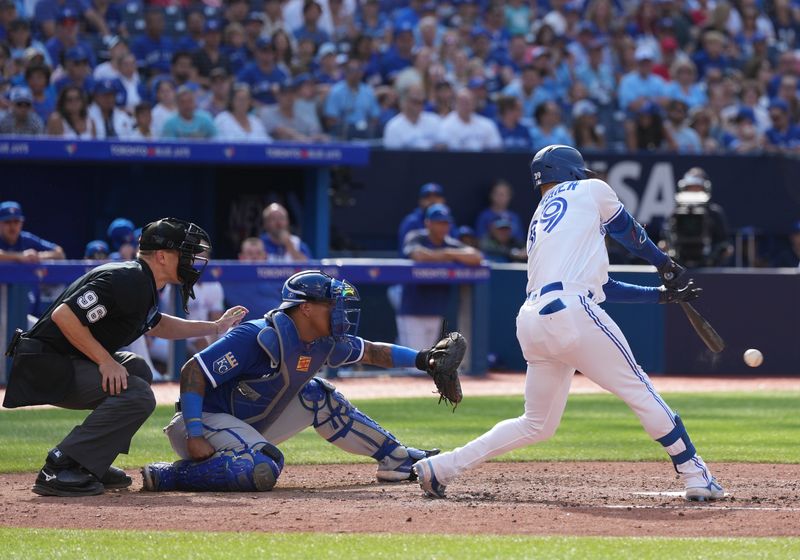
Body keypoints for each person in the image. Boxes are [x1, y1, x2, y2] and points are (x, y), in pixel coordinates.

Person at [414, 145, 725, 503]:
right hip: (570, 311)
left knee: (536, 423)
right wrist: (664, 263)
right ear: (575, 171)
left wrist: (661, 294)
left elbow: (603, 286)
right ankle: (695, 474)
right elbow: (628, 230)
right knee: (639, 388)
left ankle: (441, 468)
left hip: (532, 319)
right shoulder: (591, 190)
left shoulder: (540, 219)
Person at [2, 218, 248, 497]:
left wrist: (215, 327)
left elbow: (159, 324)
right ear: (163, 256)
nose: (192, 260)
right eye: (186, 252)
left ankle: (92, 462)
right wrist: (105, 361)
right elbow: (64, 315)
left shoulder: (141, 280)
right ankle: (61, 466)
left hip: (63, 361)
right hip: (47, 366)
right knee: (139, 394)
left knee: (138, 368)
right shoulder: (127, 278)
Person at [141, 270, 443, 492]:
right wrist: (194, 433)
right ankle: (171, 475)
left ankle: (395, 459)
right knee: (262, 465)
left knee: (318, 396)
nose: (340, 312)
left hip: (249, 422)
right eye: (331, 305)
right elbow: (193, 370)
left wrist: (425, 359)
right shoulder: (256, 336)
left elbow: (374, 352)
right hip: (200, 422)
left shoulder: (324, 339)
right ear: (306, 308)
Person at [396, 203, 483, 350]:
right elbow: (418, 255)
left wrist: (448, 253)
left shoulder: (450, 244)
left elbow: (476, 256)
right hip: (412, 310)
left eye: (446, 223)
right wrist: (447, 256)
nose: (443, 227)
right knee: (414, 362)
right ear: (428, 223)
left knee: (426, 362)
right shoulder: (417, 237)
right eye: (439, 223)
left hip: (436, 311)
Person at [662, 168, 732, 268]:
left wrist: (712, 258)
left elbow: (724, 242)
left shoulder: (714, 213)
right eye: (690, 188)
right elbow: (666, 238)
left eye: (697, 187)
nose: (693, 191)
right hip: (680, 265)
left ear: (705, 188)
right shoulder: (675, 213)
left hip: (709, 267)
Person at [222, 237, 283, 322]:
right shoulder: (228, 279)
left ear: (265, 256)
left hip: (276, 325)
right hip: (242, 329)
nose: (254, 257)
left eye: (258, 253)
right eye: (250, 253)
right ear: (241, 257)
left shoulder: (278, 276)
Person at [0, 201, 65, 262]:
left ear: (21, 223)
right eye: (7, 222)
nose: (12, 226)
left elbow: (59, 253)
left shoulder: (26, 239)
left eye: (16, 221)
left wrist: (37, 256)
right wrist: (20, 256)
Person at [382, 83, 442, 150]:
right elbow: (393, 157)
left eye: (422, 102)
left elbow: (444, 146)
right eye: (415, 101)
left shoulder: (434, 120)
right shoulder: (393, 127)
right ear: (404, 101)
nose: (419, 105)